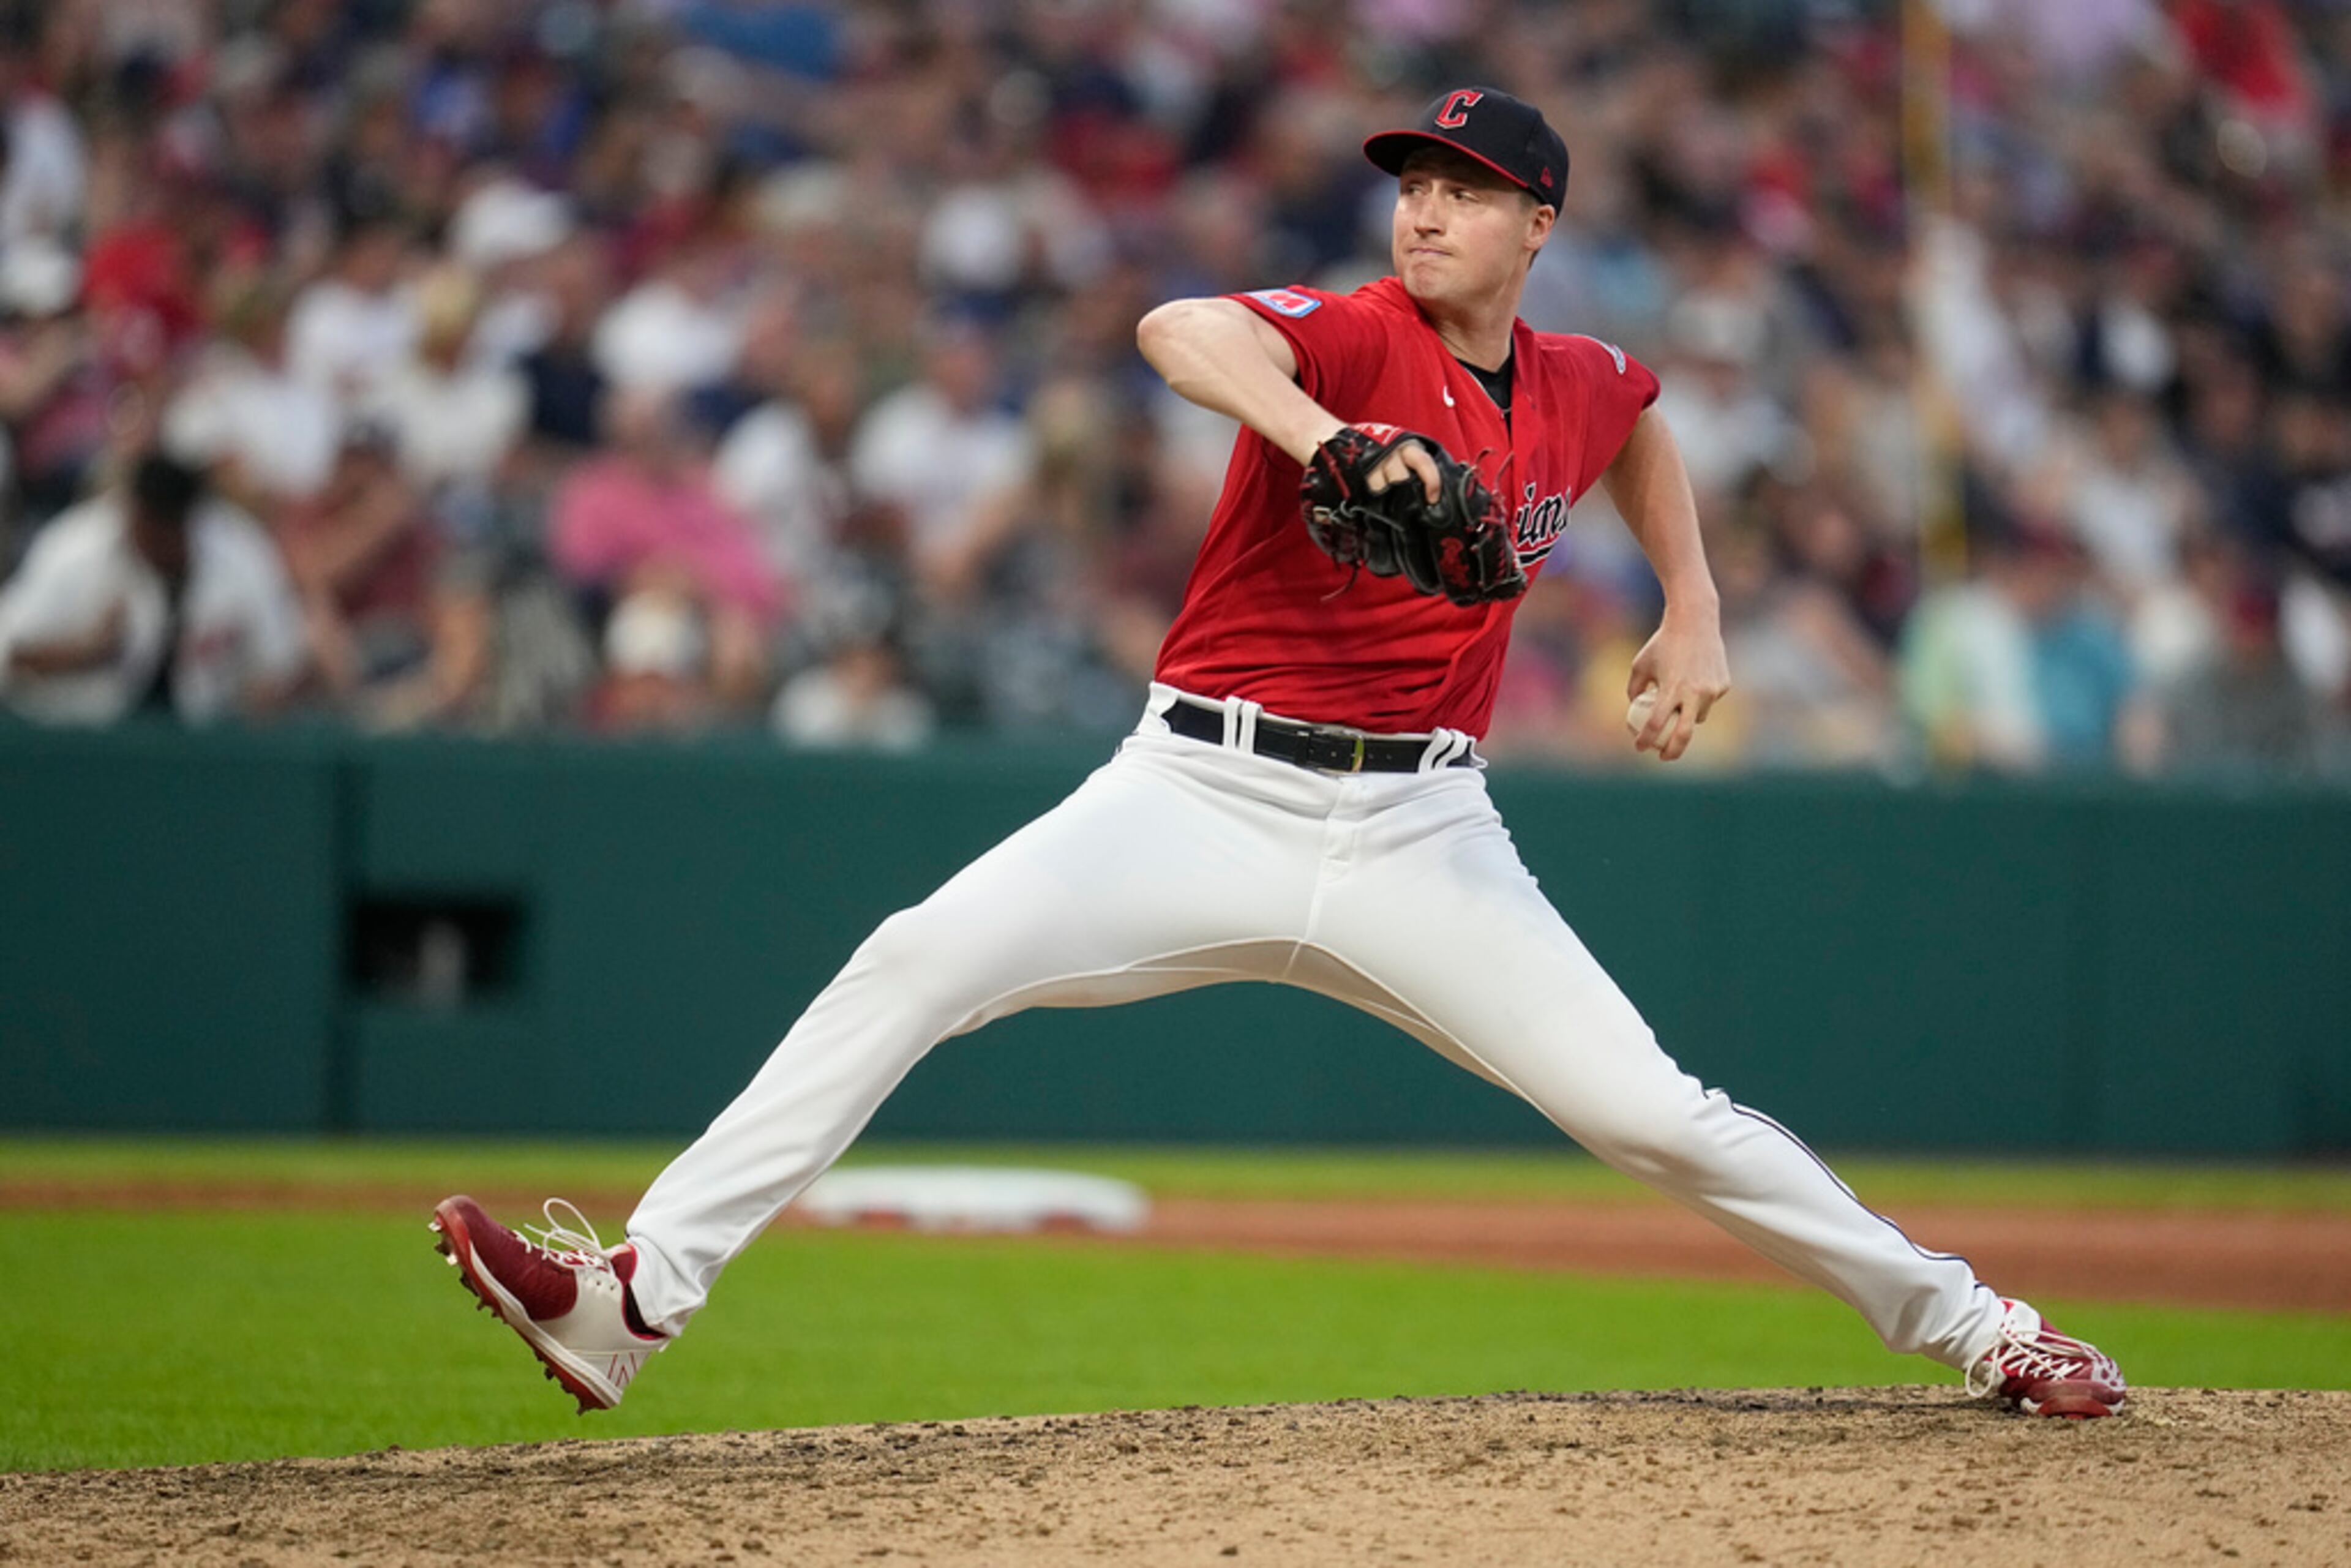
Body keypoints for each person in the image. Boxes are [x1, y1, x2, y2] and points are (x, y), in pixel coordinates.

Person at [430, 89, 2126, 1422]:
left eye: (1466, 187)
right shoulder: (1355, 331)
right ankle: (630, 1301)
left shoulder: (1580, 378)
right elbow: (1182, 330)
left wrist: (1694, 605)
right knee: (913, 960)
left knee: (1658, 1116)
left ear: (1540, 223)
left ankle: (1982, 1324)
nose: (1428, 207)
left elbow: (1644, 420)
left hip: (1423, 834)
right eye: (1414, 179)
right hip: (1195, 792)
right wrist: (1328, 437)